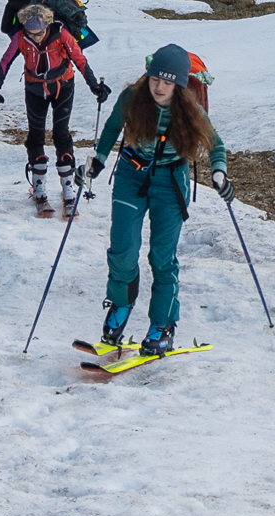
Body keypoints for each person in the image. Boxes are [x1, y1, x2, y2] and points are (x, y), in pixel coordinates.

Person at [83, 45, 232, 357]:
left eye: (166, 82)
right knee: (122, 249)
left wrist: (219, 175)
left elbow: (216, 146)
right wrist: (97, 159)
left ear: (178, 84)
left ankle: (162, 325)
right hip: (130, 175)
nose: (159, 87)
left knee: (162, 258)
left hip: (170, 182)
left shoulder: (190, 109)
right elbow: (112, 128)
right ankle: (121, 303)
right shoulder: (131, 98)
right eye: (154, 80)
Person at [0, 3, 109, 210]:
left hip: (63, 86)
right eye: (31, 33)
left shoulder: (61, 34)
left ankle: (68, 189)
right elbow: (6, 61)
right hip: (34, 88)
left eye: (40, 33)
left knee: (61, 134)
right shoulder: (21, 38)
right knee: (35, 135)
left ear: (47, 26)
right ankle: (39, 188)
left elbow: (79, 59)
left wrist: (94, 85)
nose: (36, 37)